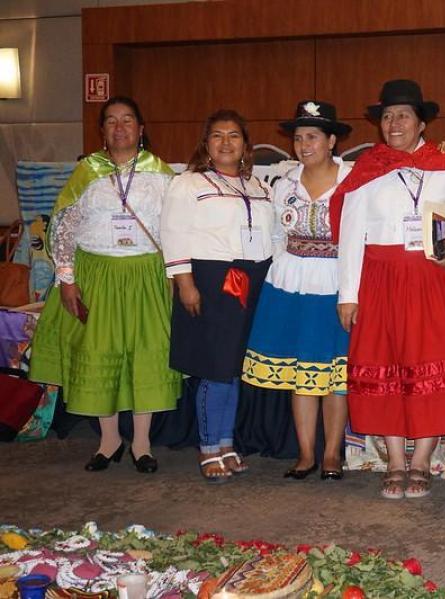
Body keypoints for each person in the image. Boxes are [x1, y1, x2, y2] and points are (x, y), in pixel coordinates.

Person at [333, 79, 445, 499]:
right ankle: (395, 460)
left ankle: (422, 460)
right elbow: (350, 235)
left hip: (433, 279)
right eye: (387, 116)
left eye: (403, 116)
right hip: (379, 281)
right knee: (385, 365)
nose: (394, 123)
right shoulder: (366, 170)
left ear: (421, 122)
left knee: (431, 364)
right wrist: (348, 295)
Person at [29, 96, 180, 473]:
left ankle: (142, 444)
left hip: (145, 275)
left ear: (141, 129)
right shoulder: (87, 171)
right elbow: (64, 225)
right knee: (98, 352)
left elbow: (177, 228)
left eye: (127, 120)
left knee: (145, 354)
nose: (120, 127)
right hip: (96, 274)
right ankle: (109, 441)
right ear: (102, 131)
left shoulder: (162, 174)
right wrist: (67, 278)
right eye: (111, 121)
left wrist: (175, 275)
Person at [161, 109, 275, 483]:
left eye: (234, 136)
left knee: (234, 369)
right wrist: (185, 283)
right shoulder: (189, 184)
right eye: (217, 136)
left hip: (253, 281)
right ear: (206, 144)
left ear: (246, 145)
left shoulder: (259, 186)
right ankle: (209, 447)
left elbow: (274, 235)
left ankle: (227, 444)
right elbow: (173, 234)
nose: (226, 143)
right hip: (212, 281)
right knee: (214, 369)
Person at [242, 101, 352, 480]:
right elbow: (276, 234)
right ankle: (306, 453)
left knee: (334, 375)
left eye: (313, 137)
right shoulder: (285, 183)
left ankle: (332, 454)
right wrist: (278, 275)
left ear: (331, 141)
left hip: (334, 281)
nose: (304, 145)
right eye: (299, 138)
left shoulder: (352, 180)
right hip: (291, 283)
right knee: (300, 372)